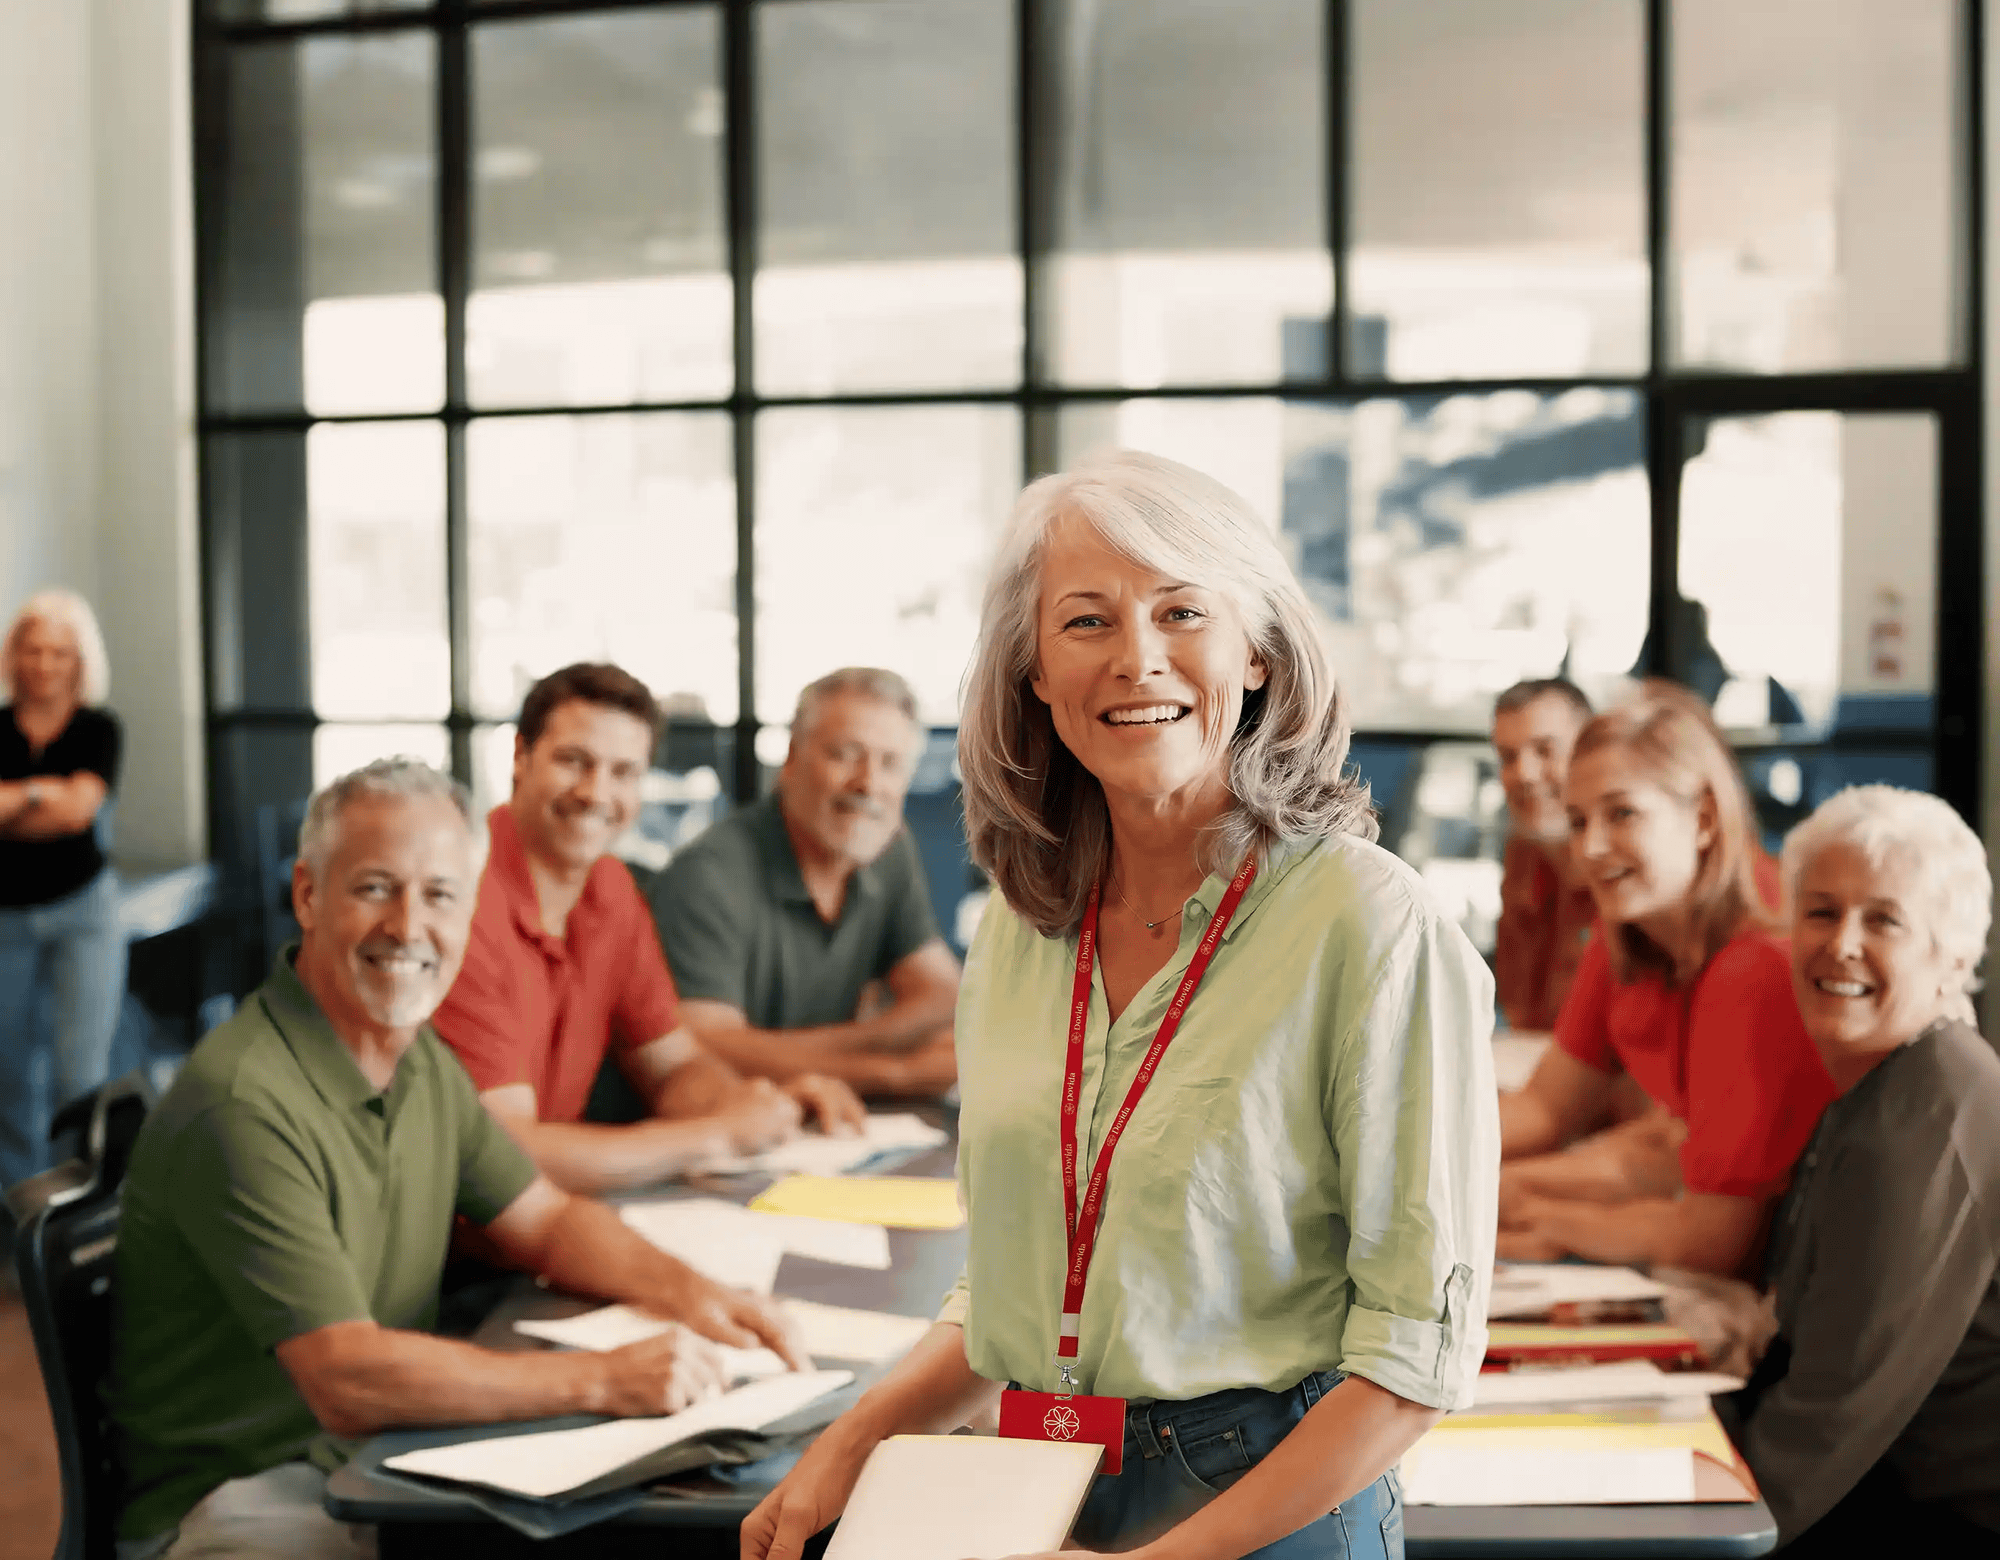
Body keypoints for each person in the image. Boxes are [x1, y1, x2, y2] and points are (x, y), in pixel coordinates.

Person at [743, 450, 1498, 1560]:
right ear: (1035, 674)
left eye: (1181, 610)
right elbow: (1019, 1285)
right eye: (1085, 622)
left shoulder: (1372, 927)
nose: (1137, 658)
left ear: (1255, 651)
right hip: (1036, 1486)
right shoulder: (1018, 924)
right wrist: (847, 1444)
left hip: (1265, 1504)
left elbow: (1409, 1367)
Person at [108, 758, 806, 1560]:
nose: (408, 926)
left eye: (440, 893)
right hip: (235, 1503)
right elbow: (347, 1376)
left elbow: (544, 1219)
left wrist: (698, 1295)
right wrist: (605, 1380)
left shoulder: (418, 1059)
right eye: (375, 887)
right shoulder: (243, 1103)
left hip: (374, 1458)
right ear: (307, 894)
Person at [432, 663, 865, 1198]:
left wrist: (756, 1105)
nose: (596, 792)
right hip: (451, 1254)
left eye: (624, 772)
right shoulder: (457, 897)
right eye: (573, 761)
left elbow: (674, 1065)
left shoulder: (610, 890)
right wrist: (712, 1135)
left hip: (545, 1222)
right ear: (520, 756)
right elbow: (508, 1157)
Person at [1727, 786, 1999, 1552]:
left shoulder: (1933, 1110)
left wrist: (1687, 1524)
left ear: (1951, 958)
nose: (1841, 943)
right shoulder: (1888, 1084)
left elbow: (1824, 1423)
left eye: (1884, 919)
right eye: (1820, 910)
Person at [1497, 682, 1836, 1276]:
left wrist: (1543, 1217)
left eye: (1622, 813)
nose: (1593, 848)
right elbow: (1549, 1107)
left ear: (1704, 818)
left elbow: (1713, 1241)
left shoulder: (1755, 965)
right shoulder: (1631, 923)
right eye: (1578, 822)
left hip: (1796, 1282)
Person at [650, 667, 959, 1098]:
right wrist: (894, 1070)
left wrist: (839, 1051)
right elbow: (700, 1047)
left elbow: (943, 996)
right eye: (846, 754)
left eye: (890, 763)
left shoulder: (886, 847)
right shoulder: (708, 875)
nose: (868, 784)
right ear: (791, 758)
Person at [0, 589, 125, 1191]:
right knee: (8, 1077)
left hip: (85, 913)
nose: (44, 664)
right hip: (6, 919)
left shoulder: (97, 728)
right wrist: (44, 791)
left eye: (58, 652)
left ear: (79, 662)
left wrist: (14, 798)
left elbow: (78, 813)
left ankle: (84, 1208)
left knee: (80, 1074)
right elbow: (64, 800)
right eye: (32, 649)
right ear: (13, 655)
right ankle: (21, 1219)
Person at [1490, 677, 1596, 1032]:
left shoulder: (1628, 868)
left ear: (1592, 753)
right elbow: (1519, 1010)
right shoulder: (1524, 854)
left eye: (1545, 750)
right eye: (1508, 757)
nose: (1524, 774)